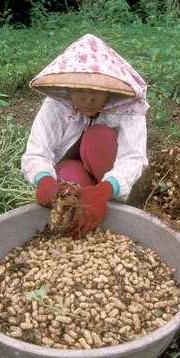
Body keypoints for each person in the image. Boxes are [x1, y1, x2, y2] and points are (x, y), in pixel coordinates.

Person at [21, 33, 149, 238]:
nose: (88, 99)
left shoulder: (128, 109)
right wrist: (43, 179)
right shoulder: (56, 107)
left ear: (110, 91)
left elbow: (133, 158)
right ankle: (83, 203)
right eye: (80, 90)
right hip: (76, 167)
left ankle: (119, 204)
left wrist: (105, 190)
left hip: (108, 168)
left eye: (97, 91)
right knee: (66, 184)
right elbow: (37, 152)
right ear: (68, 89)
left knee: (96, 138)